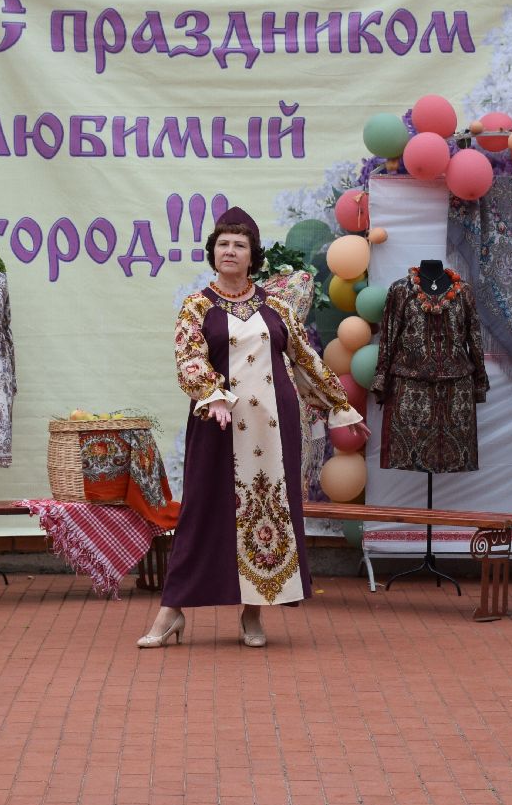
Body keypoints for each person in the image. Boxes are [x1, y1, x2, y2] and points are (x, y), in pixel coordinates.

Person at [139, 208, 366, 648]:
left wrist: (343, 409)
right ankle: (171, 612)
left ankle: (253, 615)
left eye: (239, 245)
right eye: (223, 243)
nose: (230, 251)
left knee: (267, 513)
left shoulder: (275, 306)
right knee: (202, 515)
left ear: (251, 255)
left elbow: (305, 360)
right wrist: (213, 394)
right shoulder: (197, 305)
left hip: (273, 428)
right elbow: (188, 358)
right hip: (217, 427)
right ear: (213, 252)